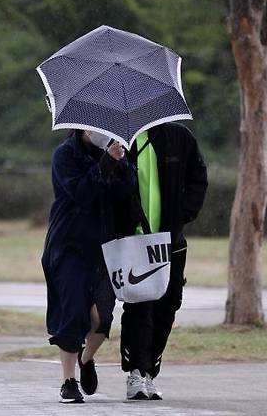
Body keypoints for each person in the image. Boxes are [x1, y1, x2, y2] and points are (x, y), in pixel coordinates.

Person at [41, 129, 136, 403]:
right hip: (68, 246)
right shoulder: (65, 155)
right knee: (72, 314)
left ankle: (86, 359)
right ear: (83, 127)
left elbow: (124, 191)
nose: (102, 134)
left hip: (103, 249)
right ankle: (68, 382)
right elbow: (81, 193)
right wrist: (105, 162)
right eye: (97, 130)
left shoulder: (113, 153)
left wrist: (121, 162)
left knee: (102, 318)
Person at [115, 121, 208, 400]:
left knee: (168, 304)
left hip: (171, 242)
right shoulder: (120, 141)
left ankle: (150, 372)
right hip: (135, 241)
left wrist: (182, 214)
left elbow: (198, 178)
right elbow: (108, 188)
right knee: (139, 307)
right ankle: (135, 372)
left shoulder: (179, 137)